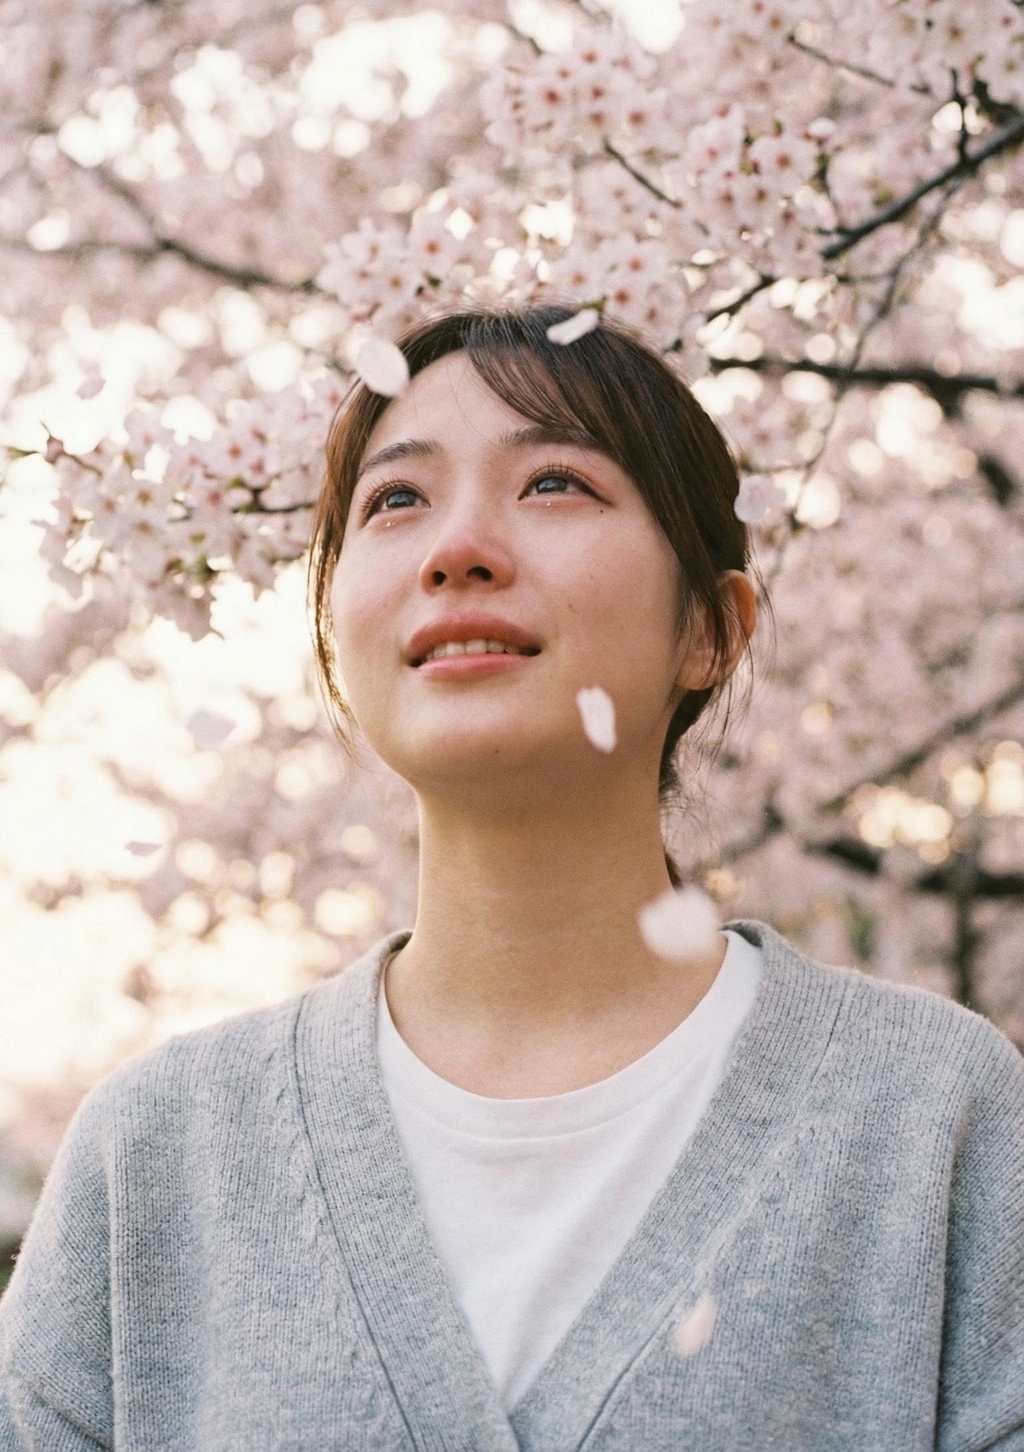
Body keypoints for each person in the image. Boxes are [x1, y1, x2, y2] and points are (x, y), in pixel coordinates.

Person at [1, 302, 1022, 1452]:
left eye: (553, 484)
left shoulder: (937, 1115)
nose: (457, 548)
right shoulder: (155, 1156)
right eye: (395, 499)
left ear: (713, 629)